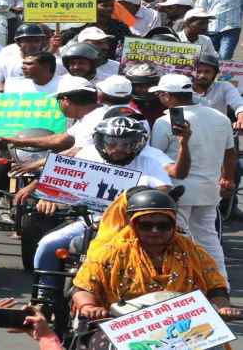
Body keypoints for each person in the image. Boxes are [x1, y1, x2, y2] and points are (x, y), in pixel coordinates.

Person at [31, 116, 172, 286]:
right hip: (90, 221)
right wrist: (49, 198)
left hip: (132, 227)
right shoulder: (87, 154)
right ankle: (45, 294)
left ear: (138, 144)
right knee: (48, 244)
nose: (119, 149)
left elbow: (164, 189)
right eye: (112, 143)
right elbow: (62, 180)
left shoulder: (150, 162)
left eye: (127, 144)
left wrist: (143, 197)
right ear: (100, 142)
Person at [72, 188, 237, 320]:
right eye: (146, 225)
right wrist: (89, 307)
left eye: (163, 225)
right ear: (134, 225)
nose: (155, 231)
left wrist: (222, 307)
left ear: (174, 225)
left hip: (184, 327)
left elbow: (216, 288)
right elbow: (82, 288)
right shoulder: (110, 253)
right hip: (121, 327)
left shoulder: (194, 253)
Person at [148, 73, 235, 279]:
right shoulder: (220, 117)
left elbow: (154, 157)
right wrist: (227, 179)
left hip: (177, 192)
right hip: (209, 191)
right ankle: (220, 286)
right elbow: (230, 152)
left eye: (160, 94)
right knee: (209, 240)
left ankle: (186, 289)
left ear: (168, 96)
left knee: (178, 242)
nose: (159, 98)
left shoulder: (164, 122)